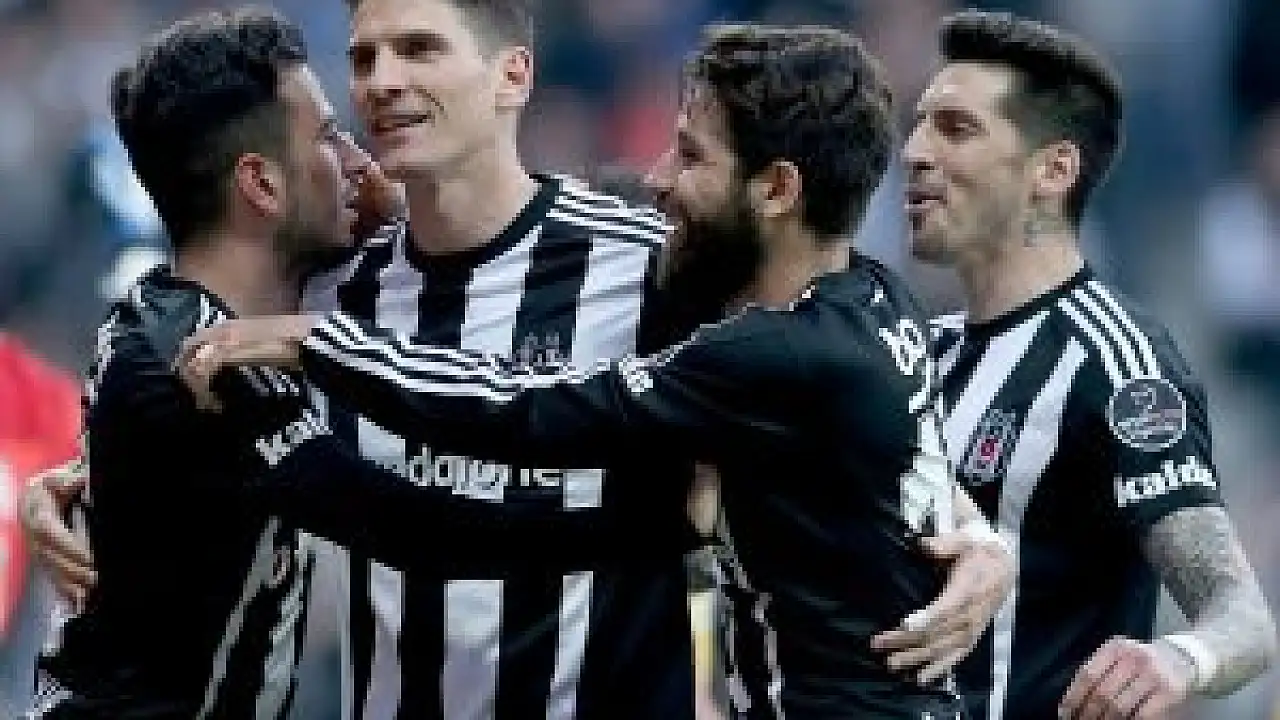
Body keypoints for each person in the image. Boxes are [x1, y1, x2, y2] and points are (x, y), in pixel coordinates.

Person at [23, 2, 1012, 717]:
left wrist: (972, 530)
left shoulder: (651, 264)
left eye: (420, 48)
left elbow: (844, 396)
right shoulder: (322, 291)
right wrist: (79, 476)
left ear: (512, 77)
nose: (382, 79)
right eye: (363, 56)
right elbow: (186, 414)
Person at [902, 10, 1278, 720]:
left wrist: (1177, 658)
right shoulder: (920, 349)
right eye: (920, 123)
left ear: (1053, 170)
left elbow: (1242, 616)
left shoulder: (1118, 365)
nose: (915, 151)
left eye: (956, 128)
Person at [22, 9, 364, 717]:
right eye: (329, 137)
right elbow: (402, 517)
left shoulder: (155, 322)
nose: (359, 162)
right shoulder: (197, 366)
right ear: (261, 185)